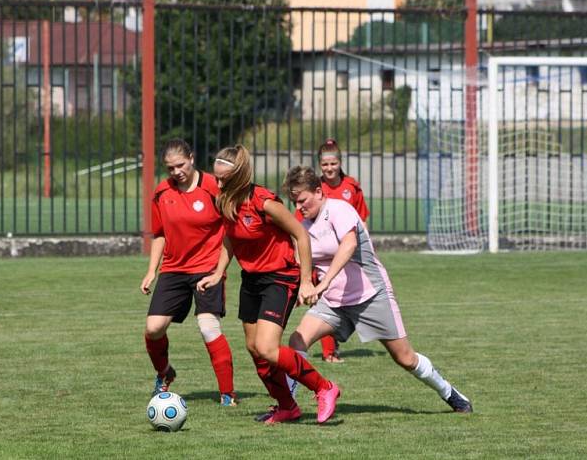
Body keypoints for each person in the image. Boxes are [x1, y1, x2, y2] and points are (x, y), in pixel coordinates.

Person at [283, 165, 474, 413]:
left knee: (405, 358)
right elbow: (300, 262)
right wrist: (301, 286)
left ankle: (449, 392)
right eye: (294, 202)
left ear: (319, 192)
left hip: (370, 295)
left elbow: (348, 245)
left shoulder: (339, 209)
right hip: (334, 302)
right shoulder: (303, 227)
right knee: (297, 341)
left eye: (302, 200)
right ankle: (288, 404)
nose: (298, 207)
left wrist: (323, 283)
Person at [197, 145, 341, 425]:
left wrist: (305, 282)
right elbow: (230, 238)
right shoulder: (225, 200)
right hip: (251, 279)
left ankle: (325, 388)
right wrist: (217, 273)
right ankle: (287, 406)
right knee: (254, 349)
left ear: (240, 175)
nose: (219, 183)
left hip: (280, 277)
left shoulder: (264, 202)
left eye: (224, 178)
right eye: (217, 178)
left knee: (267, 347)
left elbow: (301, 234)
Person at [140, 139, 238, 406]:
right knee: (153, 328)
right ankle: (164, 373)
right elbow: (159, 234)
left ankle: (227, 394)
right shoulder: (162, 192)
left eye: (180, 165)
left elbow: (231, 228)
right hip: (173, 269)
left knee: (208, 327)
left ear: (192, 158)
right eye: (170, 168)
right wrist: (152, 271)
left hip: (207, 268)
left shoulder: (212, 188)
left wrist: (220, 270)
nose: (176, 172)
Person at [314, 139, 369, 363]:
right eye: (325, 164)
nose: (329, 168)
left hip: (348, 252)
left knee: (352, 298)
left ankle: (338, 335)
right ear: (320, 165)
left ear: (340, 162)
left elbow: (362, 218)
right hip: (323, 254)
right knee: (325, 297)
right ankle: (329, 352)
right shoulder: (315, 188)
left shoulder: (351, 187)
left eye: (333, 164)